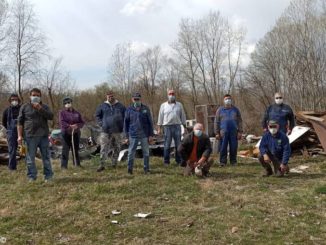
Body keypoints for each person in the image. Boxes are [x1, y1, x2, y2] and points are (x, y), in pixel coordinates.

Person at [17, 88, 54, 182]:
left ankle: (48, 176)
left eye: (38, 95)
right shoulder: (24, 107)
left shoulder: (44, 106)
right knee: (30, 159)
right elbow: (19, 122)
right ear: (30, 96)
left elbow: (51, 116)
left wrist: (40, 109)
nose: (35, 97)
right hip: (30, 136)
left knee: (46, 157)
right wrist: (19, 136)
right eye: (33, 95)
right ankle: (32, 176)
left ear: (40, 97)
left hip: (43, 136)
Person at [95, 90, 126, 172]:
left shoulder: (121, 106)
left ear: (114, 96)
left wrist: (123, 126)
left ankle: (114, 163)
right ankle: (102, 164)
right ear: (106, 96)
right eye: (109, 96)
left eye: (112, 96)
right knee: (104, 148)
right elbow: (97, 116)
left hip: (118, 131)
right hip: (105, 131)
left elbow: (126, 117)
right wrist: (101, 123)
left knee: (117, 147)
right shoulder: (102, 106)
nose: (110, 97)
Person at [124, 92, 154, 174]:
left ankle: (146, 169)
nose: (136, 101)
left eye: (138, 99)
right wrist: (126, 136)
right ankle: (129, 170)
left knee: (146, 153)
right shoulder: (129, 109)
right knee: (131, 153)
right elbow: (125, 123)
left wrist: (151, 135)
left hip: (144, 134)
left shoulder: (145, 109)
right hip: (133, 135)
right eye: (135, 99)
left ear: (140, 99)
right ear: (132, 99)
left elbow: (150, 122)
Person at [157, 89, 186, 166]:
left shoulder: (179, 105)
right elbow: (160, 117)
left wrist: (184, 126)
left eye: (173, 94)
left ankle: (178, 160)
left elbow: (183, 116)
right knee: (167, 145)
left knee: (178, 145)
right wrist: (159, 128)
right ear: (167, 95)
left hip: (177, 126)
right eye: (170, 94)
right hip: (167, 127)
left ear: (175, 94)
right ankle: (166, 161)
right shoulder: (163, 105)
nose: (171, 95)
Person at [215, 94, 243, 167]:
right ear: (223, 101)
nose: (228, 100)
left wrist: (240, 131)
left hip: (234, 132)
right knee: (223, 147)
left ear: (231, 100)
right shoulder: (220, 110)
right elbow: (216, 122)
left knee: (233, 147)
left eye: (229, 99)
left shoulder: (235, 109)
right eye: (226, 99)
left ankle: (233, 162)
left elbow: (240, 121)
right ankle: (222, 162)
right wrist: (217, 133)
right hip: (223, 132)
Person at [59, 97, 85, 169]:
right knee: (65, 149)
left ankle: (77, 164)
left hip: (76, 133)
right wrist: (69, 126)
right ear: (64, 105)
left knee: (75, 148)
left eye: (69, 102)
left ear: (71, 103)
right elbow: (62, 122)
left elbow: (82, 122)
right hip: (66, 133)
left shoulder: (77, 113)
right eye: (66, 103)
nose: (68, 104)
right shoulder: (62, 113)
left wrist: (77, 125)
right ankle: (64, 166)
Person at [2, 93, 21, 171]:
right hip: (11, 133)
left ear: (18, 100)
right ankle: (12, 168)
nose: (14, 101)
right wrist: (10, 130)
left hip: (22, 132)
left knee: (25, 150)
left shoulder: (22, 109)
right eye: (12, 100)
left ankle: (30, 168)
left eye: (16, 99)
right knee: (12, 150)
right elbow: (4, 122)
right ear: (10, 100)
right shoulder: (6, 110)